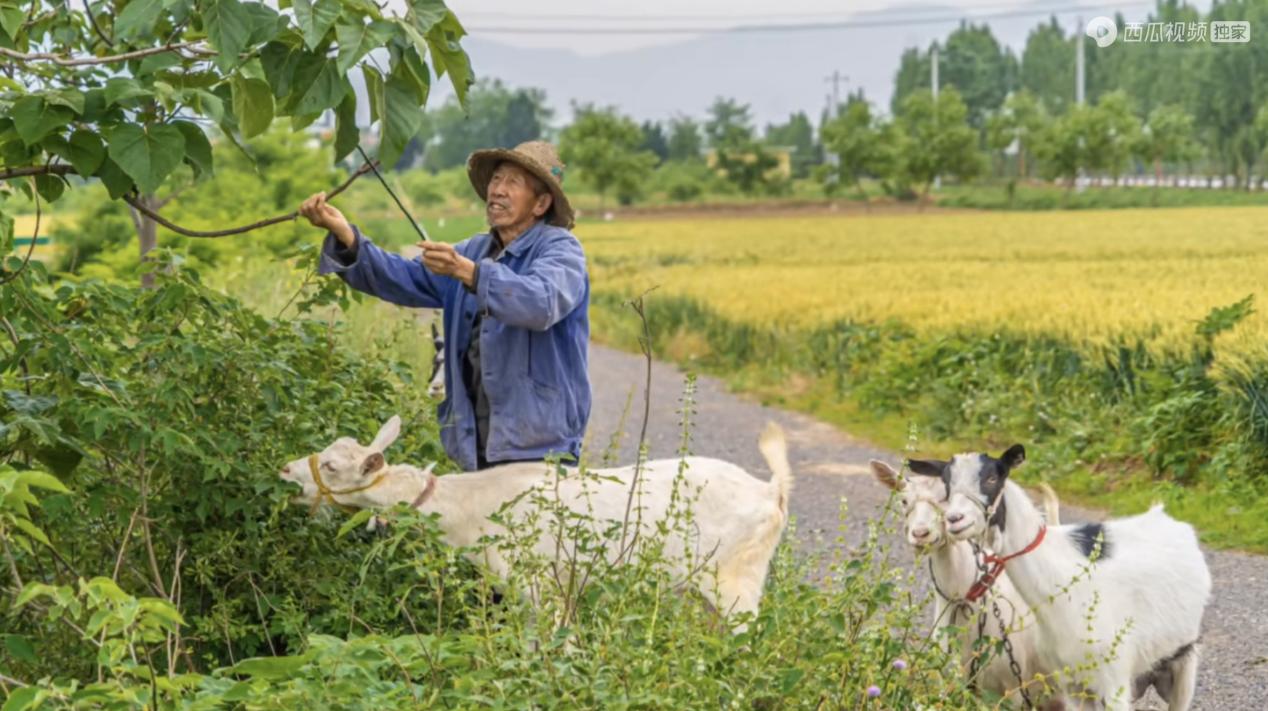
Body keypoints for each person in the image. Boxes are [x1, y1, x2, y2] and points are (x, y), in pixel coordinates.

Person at [298, 141, 590, 471]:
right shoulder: (476, 249)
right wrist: (346, 235)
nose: (498, 190)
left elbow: (540, 302)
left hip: (540, 446)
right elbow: (404, 277)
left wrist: (468, 271)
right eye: (496, 179)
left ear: (540, 204)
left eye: (513, 182)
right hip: (477, 443)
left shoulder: (562, 251)